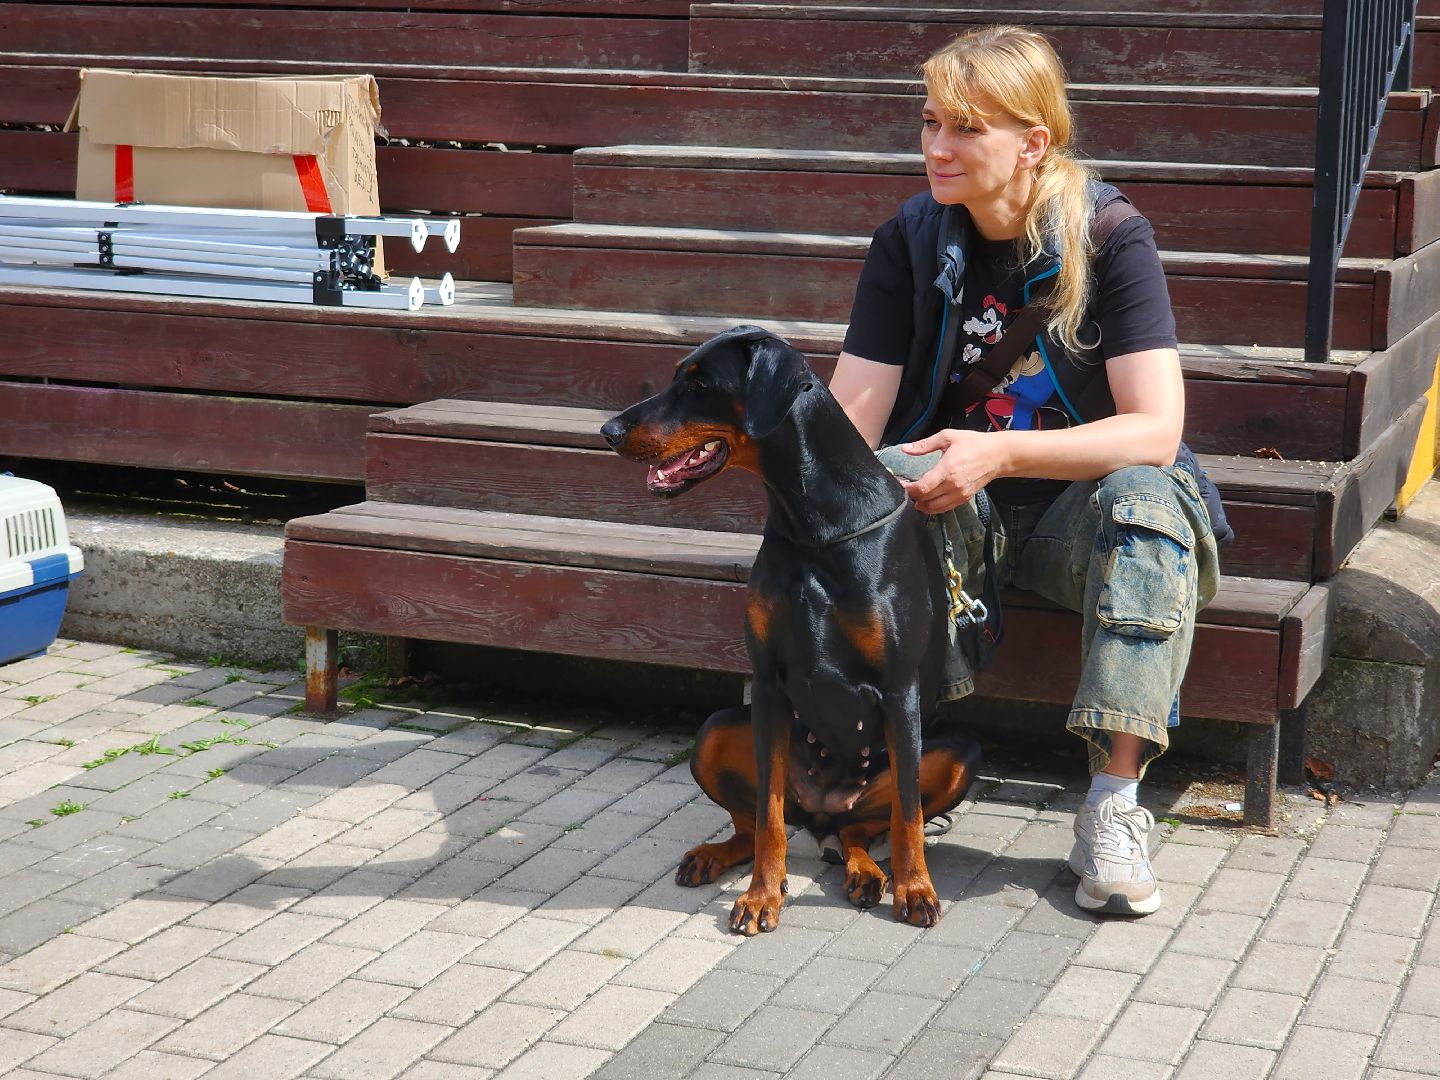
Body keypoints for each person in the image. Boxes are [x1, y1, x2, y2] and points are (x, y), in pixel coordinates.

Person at [830, 24, 1222, 916]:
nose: (936, 147)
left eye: (965, 129)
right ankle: (880, 777)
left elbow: (1156, 430)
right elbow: (852, 415)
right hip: (954, 519)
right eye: (930, 121)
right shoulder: (914, 238)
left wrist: (1000, 449)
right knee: (881, 475)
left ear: (1032, 142)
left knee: (1148, 500)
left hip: (1074, 527)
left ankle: (1113, 810)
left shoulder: (1111, 236)